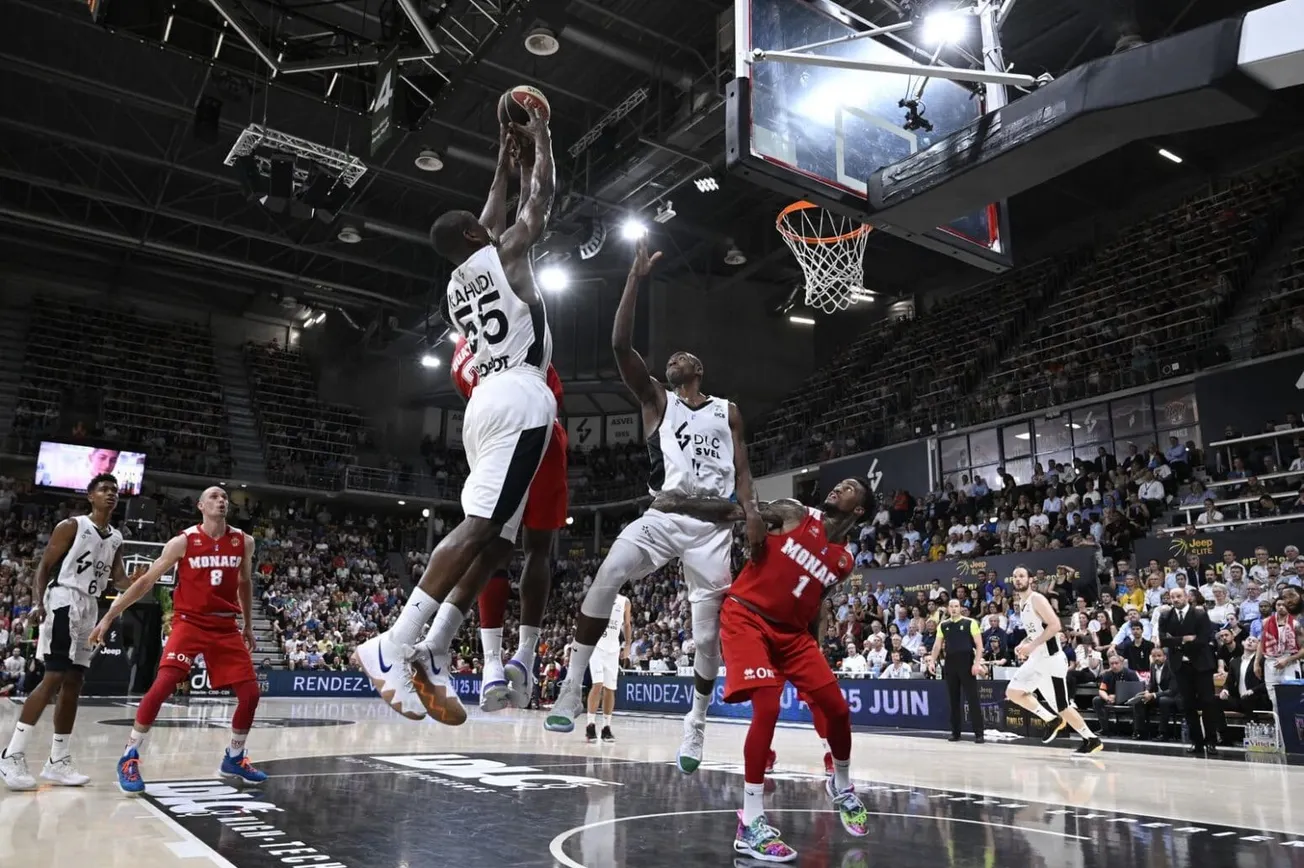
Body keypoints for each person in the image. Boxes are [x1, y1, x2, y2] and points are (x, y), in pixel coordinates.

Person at [353, 105, 558, 721]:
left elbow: (489, 210)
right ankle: (393, 641)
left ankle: (434, 646)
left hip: (486, 406)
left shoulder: (455, 283)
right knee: (477, 529)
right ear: (477, 236)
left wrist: (502, 151)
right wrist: (540, 138)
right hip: (519, 396)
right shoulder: (511, 253)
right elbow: (538, 199)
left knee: (498, 541)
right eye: (481, 224)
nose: (490, 220)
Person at [542, 237, 766, 778]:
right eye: (666, 359)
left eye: (679, 358)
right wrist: (634, 280)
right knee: (608, 573)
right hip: (663, 516)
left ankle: (696, 720)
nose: (671, 359)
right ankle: (572, 688)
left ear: (698, 368)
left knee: (707, 636)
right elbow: (620, 346)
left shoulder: (728, 411)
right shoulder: (656, 402)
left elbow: (741, 469)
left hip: (714, 528)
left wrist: (753, 510)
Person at [647, 481, 872, 862]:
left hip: (793, 635)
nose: (838, 487)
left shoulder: (843, 562)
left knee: (837, 708)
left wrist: (813, 648)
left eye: (849, 488)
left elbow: (815, 603)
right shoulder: (794, 513)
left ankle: (843, 785)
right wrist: (678, 503)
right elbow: (734, 511)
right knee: (766, 708)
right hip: (747, 618)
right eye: (839, 483)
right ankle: (750, 823)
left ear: (859, 510)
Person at [88, 486, 264, 792]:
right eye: (214, 497)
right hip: (190, 623)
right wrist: (109, 615)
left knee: (250, 695)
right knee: (162, 687)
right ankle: (129, 756)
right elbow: (145, 581)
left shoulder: (244, 541)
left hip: (225, 627)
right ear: (200, 505)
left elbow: (245, 582)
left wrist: (248, 624)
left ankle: (234, 757)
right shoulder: (183, 541)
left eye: (224, 497)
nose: (221, 501)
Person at [451, 325, 569, 714]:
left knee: (491, 549)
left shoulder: (461, 357)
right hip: (540, 426)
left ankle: (491, 666)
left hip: (491, 432)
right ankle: (526, 656)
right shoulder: (516, 322)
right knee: (538, 549)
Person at [0, 474, 126, 791]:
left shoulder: (116, 538)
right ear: (90, 496)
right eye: (104, 490)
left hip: (91, 608)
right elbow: (44, 565)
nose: (111, 494)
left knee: (75, 681)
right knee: (54, 676)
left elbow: (120, 579)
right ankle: (11, 754)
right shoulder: (73, 526)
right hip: (64, 601)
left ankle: (58, 760)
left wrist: (143, 577)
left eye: (115, 491)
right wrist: (37, 602)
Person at [1004, 566, 1103, 755]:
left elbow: (1056, 625)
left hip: (1051, 661)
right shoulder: (1022, 603)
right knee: (1013, 692)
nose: (1018, 579)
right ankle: (1051, 719)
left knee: (1062, 706)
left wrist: (1031, 646)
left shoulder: (1037, 599)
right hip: (1036, 660)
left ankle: (1091, 739)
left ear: (1030, 579)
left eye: (1022, 576)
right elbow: (1036, 632)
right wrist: (1024, 643)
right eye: (1015, 576)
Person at [1156, 586, 1224, 755]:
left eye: (1179, 596)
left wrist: (1177, 642)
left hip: (1201, 665)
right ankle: (1197, 742)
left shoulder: (1199, 613)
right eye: (1172, 597)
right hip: (1180, 666)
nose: (1176, 599)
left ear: (1186, 596)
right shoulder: (1165, 615)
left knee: (1207, 702)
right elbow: (1163, 640)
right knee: (1187, 705)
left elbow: (1203, 639)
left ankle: (1211, 741)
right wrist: (1184, 639)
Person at [927, 597, 986, 743]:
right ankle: (955, 732)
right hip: (950, 664)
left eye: (956, 606)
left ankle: (979, 733)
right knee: (953, 700)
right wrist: (932, 661)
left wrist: (976, 663)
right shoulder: (943, 625)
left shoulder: (970, 622)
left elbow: (979, 645)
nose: (953, 609)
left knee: (972, 699)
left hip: (966, 663)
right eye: (951, 606)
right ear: (948, 608)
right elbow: (937, 645)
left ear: (960, 608)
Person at [586, 592, 632, 743]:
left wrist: (628, 645)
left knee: (610, 689)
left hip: (613, 649)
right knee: (598, 684)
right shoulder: (599, 595)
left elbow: (627, 624)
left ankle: (606, 727)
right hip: (597, 646)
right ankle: (590, 724)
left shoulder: (624, 601)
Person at [1133, 647, 1178, 740]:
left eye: (1159, 656)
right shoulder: (1153, 665)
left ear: (1165, 657)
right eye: (1154, 656)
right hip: (1158, 695)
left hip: (1173, 696)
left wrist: (1153, 695)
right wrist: (1147, 691)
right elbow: (1151, 683)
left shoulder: (1172, 667)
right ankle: (1140, 732)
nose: (1156, 658)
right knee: (1140, 700)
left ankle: (1163, 733)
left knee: (1163, 701)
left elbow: (1172, 690)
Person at [1091, 653, 1140, 736]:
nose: (1114, 666)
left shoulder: (1131, 674)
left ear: (1121, 663)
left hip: (1128, 700)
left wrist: (1117, 696)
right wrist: (1107, 698)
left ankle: (1137, 730)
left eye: (1116, 663)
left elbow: (1136, 691)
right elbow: (1102, 690)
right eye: (1112, 664)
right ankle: (1105, 728)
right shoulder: (1107, 674)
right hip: (1111, 700)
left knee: (1138, 702)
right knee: (1097, 700)